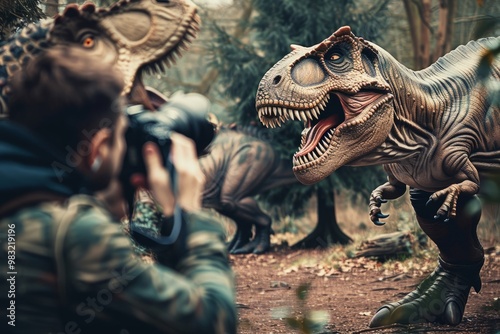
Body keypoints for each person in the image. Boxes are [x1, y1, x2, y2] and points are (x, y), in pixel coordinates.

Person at [0, 45, 237, 334]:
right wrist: (188, 214)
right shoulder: (74, 234)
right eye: (121, 136)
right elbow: (212, 323)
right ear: (97, 148)